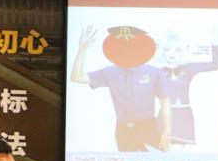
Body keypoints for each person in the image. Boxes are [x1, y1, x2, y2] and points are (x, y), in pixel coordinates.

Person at [70, 24, 172, 152]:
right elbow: (77, 77)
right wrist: (82, 49)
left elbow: (165, 104)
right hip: (124, 129)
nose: (127, 51)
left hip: (149, 127)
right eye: (123, 47)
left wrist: (166, 133)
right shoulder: (110, 72)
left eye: (131, 47)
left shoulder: (154, 72)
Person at [157, 29, 218, 148]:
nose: (172, 53)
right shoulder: (156, 71)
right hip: (165, 116)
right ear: (162, 51)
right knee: (164, 153)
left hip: (184, 115)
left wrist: (216, 41)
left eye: (177, 49)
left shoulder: (189, 68)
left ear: (182, 51)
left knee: (177, 152)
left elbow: (216, 64)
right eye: (167, 49)